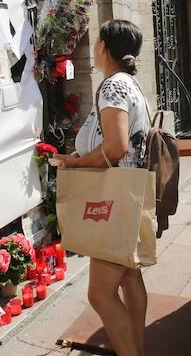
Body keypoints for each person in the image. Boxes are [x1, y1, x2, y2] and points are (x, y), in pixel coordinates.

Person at [53, 20, 151, 356]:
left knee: (100, 295)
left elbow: (115, 147)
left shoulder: (113, 88)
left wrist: (76, 163)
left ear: (104, 46)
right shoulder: (129, 84)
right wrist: (79, 156)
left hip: (115, 199)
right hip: (130, 195)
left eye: (96, 41)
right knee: (129, 280)